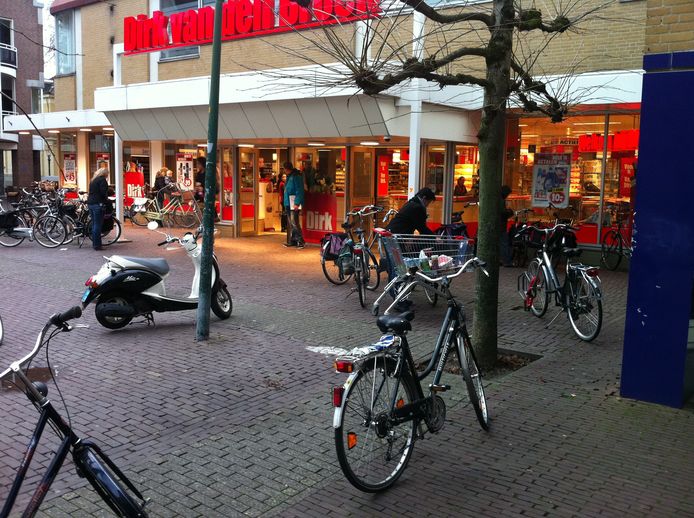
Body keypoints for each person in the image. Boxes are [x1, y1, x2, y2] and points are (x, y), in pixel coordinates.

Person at [384, 187, 436, 310]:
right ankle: (398, 301)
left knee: (399, 269)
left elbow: (411, 224)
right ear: (424, 198)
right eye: (428, 202)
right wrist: (435, 238)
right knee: (399, 270)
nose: (428, 205)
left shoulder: (411, 203)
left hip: (392, 237)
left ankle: (400, 298)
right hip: (395, 240)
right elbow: (422, 228)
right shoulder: (417, 207)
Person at [87, 160, 110, 251]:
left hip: (91, 203)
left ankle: (94, 243)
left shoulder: (93, 180)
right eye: (107, 174)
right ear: (104, 174)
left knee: (94, 224)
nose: (107, 175)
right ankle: (97, 245)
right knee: (98, 225)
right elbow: (103, 193)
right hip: (98, 204)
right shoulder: (102, 180)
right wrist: (106, 200)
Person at [282, 161, 305, 248]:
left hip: (293, 203)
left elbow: (299, 190)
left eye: (284, 169)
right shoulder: (289, 176)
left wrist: (297, 203)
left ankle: (300, 240)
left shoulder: (296, 177)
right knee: (292, 223)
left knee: (294, 222)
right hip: (288, 202)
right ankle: (294, 240)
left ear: (287, 169)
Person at [500, 184, 514, 267]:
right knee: (504, 243)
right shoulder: (501, 200)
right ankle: (507, 261)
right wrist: (510, 212)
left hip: (498, 225)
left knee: (501, 244)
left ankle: (501, 260)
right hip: (501, 226)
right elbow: (502, 213)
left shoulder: (498, 199)